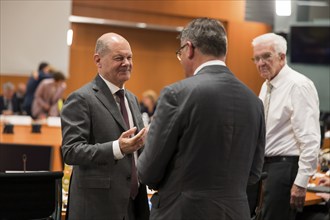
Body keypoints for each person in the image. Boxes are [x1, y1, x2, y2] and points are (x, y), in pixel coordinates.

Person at [137, 17, 266, 220]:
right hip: (235, 213)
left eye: (180, 53)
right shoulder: (254, 101)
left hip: (182, 212)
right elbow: (254, 172)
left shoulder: (177, 94)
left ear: (189, 49)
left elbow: (148, 171)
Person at [61, 32, 150, 220]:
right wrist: (117, 148)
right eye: (119, 58)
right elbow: (71, 151)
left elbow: (136, 152)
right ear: (98, 60)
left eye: (129, 57)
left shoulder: (132, 99)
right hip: (97, 208)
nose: (126, 63)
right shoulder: (81, 98)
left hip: (133, 205)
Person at [251, 33, 321, 220]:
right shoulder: (267, 85)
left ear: (282, 56)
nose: (260, 63)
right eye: (256, 58)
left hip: (285, 168)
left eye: (266, 56)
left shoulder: (298, 85)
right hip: (266, 168)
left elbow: (310, 139)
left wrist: (301, 182)